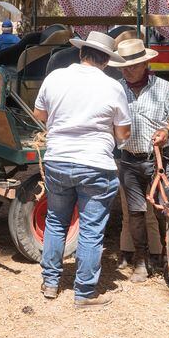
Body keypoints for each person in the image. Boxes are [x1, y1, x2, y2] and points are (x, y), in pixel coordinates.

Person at [32, 30, 131, 307]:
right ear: (106, 61)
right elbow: (123, 133)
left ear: (80, 53)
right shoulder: (113, 87)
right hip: (95, 163)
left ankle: (51, 282)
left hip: (58, 159)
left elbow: (40, 114)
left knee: (56, 220)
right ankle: (84, 292)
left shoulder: (55, 77)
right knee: (90, 229)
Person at [112, 38, 169, 283]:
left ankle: (168, 256)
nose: (127, 70)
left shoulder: (164, 88)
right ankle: (141, 261)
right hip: (129, 160)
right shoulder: (116, 89)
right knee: (135, 213)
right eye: (124, 66)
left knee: (165, 210)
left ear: (145, 64)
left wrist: (167, 131)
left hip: (158, 161)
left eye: (133, 65)